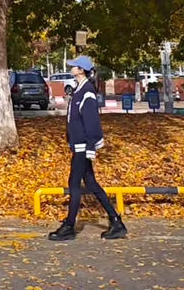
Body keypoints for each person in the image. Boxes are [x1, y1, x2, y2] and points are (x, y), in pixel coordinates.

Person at [48, 55, 127, 242]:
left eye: (75, 66)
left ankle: (69, 226)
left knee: (74, 185)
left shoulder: (87, 92)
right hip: (78, 145)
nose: (72, 68)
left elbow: (92, 123)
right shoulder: (79, 90)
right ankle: (116, 221)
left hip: (83, 147)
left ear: (81, 70)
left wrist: (91, 147)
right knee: (91, 184)